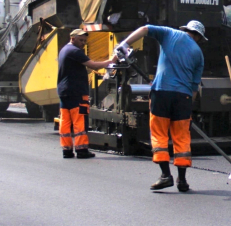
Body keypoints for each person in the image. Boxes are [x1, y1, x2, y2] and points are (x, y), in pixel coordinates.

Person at [116, 20, 206, 192]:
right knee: (181, 136)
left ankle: (165, 175)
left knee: (159, 133)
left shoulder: (170, 33)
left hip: (162, 92)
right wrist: (188, 108)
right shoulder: (199, 54)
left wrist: (125, 44)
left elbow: (144, 29)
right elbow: (195, 87)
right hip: (184, 97)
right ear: (199, 37)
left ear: (186, 29)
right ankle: (182, 180)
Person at [57, 29, 117, 159]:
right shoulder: (75, 51)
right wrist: (111, 61)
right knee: (79, 121)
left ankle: (66, 150)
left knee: (65, 122)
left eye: (85, 41)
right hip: (77, 91)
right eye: (81, 40)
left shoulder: (64, 50)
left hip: (64, 91)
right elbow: (93, 66)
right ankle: (82, 150)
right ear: (72, 38)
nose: (83, 43)